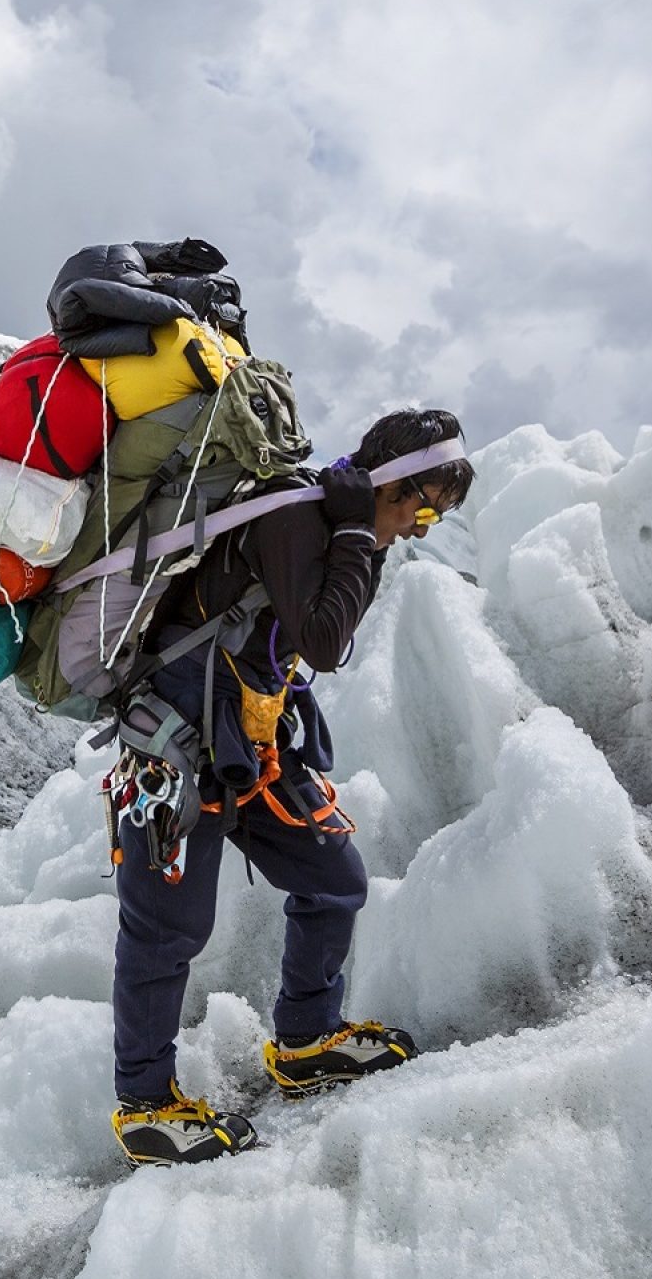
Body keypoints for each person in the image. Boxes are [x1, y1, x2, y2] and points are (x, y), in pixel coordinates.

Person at [108, 408, 476, 1166]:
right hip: (174, 746)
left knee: (333, 878)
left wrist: (355, 540)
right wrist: (350, 537)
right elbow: (325, 641)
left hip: (248, 743)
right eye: (426, 505)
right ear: (392, 483)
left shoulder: (336, 526)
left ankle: (305, 1041)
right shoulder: (296, 520)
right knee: (165, 930)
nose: (425, 526)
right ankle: (146, 1107)